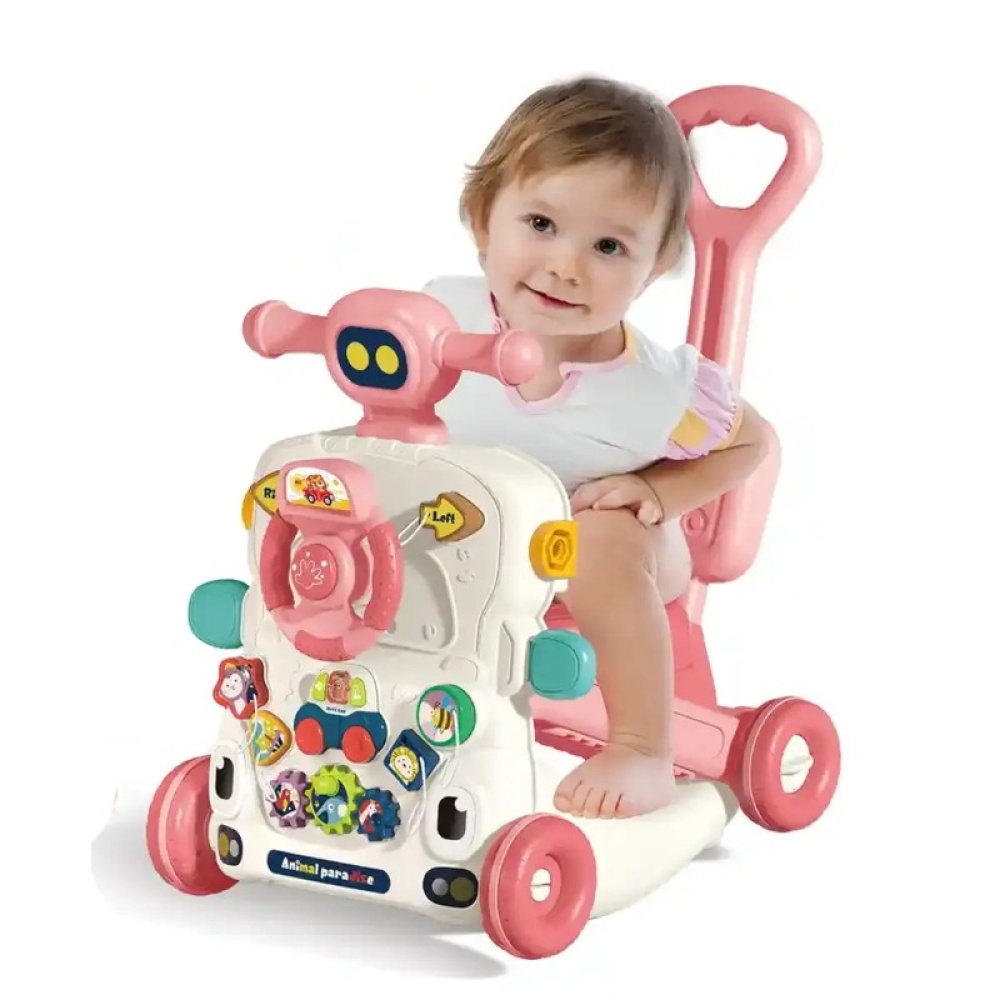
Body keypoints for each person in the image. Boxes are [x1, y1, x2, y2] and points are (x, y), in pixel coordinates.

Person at [423, 75, 770, 819]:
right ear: (484, 220)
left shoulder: (654, 391)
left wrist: (658, 493)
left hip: (611, 552)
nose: (566, 265)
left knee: (600, 539)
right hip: (472, 542)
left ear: (654, 267)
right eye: (541, 224)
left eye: (609, 246)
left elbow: (753, 445)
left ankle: (643, 746)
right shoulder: (439, 320)